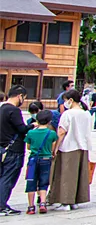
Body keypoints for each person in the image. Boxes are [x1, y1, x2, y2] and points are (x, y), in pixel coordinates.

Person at [48, 89, 91, 209]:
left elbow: (62, 132)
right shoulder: (86, 113)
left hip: (68, 146)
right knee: (78, 174)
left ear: (71, 100)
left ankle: (66, 201)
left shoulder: (68, 114)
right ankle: (75, 199)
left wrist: (56, 147)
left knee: (66, 175)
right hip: (83, 146)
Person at [1, 86, 32, 215]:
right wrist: (32, 125)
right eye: (23, 98)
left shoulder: (2, 108)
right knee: (8, 178)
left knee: (2, 176)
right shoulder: (14, 111)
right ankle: (2, 205)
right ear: (20, 96)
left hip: (2, 148)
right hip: (13, 150)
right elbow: (22, 129)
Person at [24, 109, 57, 215]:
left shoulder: (31, 132)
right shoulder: (51, 133)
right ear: (49, 121)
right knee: (43, 182)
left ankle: (30, 207)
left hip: (32, 160)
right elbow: (53, 148)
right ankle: (42, 203)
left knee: (31, 181)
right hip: (46, 160)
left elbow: (28, 147)